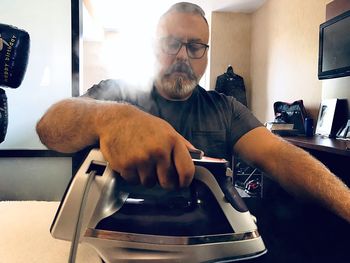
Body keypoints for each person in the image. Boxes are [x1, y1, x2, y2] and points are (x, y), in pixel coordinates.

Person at [36, 2, 350, 224]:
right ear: (153, 47)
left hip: (199, 241)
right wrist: (114, 119)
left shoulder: (225, 108)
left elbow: (280, 156)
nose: (182, 55)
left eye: (195, 46)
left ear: (206, 53)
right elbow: (49, 127)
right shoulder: (116, 94)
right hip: (115, 234)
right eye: (171, 43)